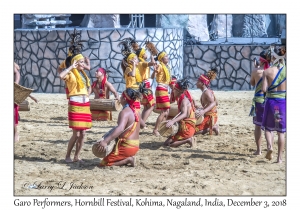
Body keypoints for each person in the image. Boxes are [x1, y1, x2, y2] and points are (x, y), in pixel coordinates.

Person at [59, 39, 92, 163]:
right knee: (76, 134)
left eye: (83, 62)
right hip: (75, 104)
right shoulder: (71, 74)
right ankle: (67, 156)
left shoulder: (82, 73)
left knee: (83, 133)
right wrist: (71, 67)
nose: (83, 64)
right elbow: (60, 76)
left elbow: (88, 87)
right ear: (76, 63)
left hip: (84, 104)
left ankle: (77, 156)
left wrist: (88, 96)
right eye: (81, 62)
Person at [96, 88, 145, 167]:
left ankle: (128, 159)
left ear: (124, 99)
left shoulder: (124, 112)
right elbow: (142, 125)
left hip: (127, 146)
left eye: (121, 97)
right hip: (136, 146)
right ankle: (127, 157)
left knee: (104, 163)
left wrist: (105, 141)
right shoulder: (136, 111)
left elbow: (120, 128)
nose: (119, 98)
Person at [261, 46, 286, 163]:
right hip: (282, 103)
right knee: (281, 131)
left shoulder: (267, 72)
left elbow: (264, 89)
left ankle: (270, 146)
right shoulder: (287, 70)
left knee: (268, 128)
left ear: (272, 57)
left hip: (271, 103)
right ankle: (279, 158)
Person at [249, 50, 271, 155]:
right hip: (270, 99)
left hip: (259, 99)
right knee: (269, 126)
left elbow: (252, 83)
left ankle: (259, 150)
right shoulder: (272, 70)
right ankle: (269, 147)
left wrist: (255, 68)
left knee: (258, 126)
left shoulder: (256, 71)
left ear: (260, 60)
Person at [164, 79, 197, 147]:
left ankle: (188, 140)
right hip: (186, 126)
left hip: (187, 128)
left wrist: (173, 121)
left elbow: (185, 114)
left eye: (175, 89)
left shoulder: (184, 100)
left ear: (180, 91)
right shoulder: (181, 97)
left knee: (167, 143)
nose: (173, 91)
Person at [130, 39, 157, 124]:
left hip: (141, 84)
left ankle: (140, 122)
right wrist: (152, 53)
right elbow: (153, 63)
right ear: (142, 55)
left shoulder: (138, 63)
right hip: (145, 84)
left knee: (146, 106)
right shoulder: (143, 63)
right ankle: (142, 123)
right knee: (151, 105)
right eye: (144, 53)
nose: (146, 54)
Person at [151, 51, 172, 136]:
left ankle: (162, 128)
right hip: (161, 89)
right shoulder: (160, 66)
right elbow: (152, 77)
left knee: (167, 111)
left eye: (167, 56)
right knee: (164, 111)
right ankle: (155, 129)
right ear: (162, 59)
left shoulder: (167, 67)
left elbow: (169, 81)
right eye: (166, 56)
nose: (168, 57)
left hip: (165, 90)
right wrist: (154, 70)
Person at [119, 39, 142, 112]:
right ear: (130, 61)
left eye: (137, 59)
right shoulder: (128, 68)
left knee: (136, 110)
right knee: (133, 110)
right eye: (135, 59)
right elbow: (132, 75)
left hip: (136, 90)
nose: (137, 60)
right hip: (131, 91)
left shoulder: (136, 69)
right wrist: (134, 65)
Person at [194, 68, 219, 135]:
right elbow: (214, 103)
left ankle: (213, 128)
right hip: (208, 114)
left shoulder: (207, 92)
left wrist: (203, 111)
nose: (196, 83)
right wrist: (202, 108)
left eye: (198, 81)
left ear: (202, 83)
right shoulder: (206, 91)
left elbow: (214, 103)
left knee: (194, 131)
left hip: (211, 117)